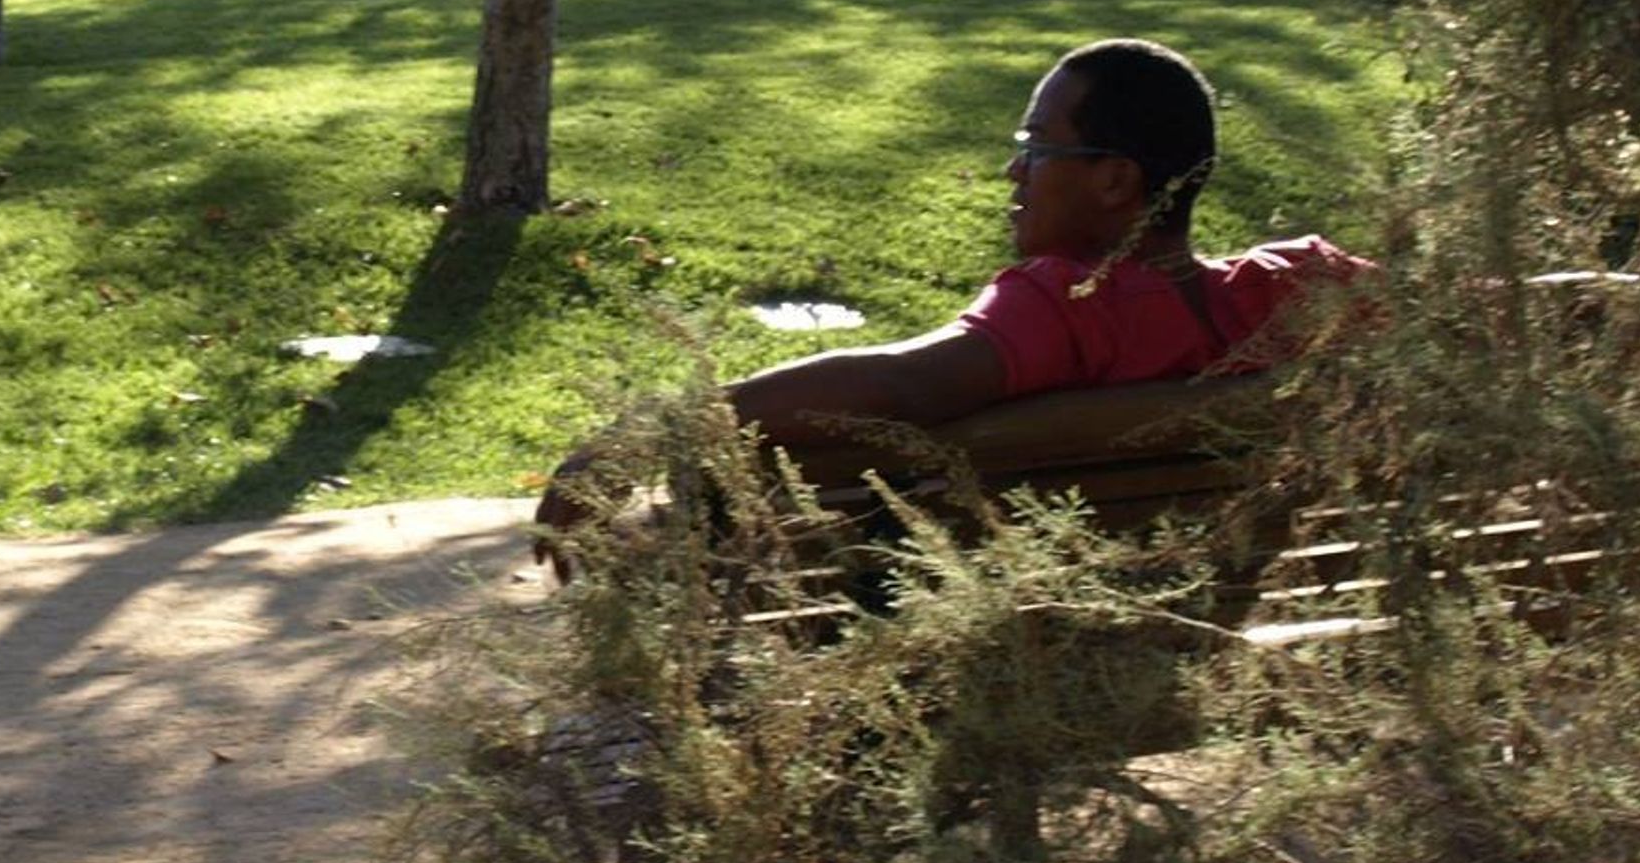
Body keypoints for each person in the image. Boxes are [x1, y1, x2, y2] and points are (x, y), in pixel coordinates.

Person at [536, 38, 1374, 560]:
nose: (1015, 171)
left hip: (1015, 662)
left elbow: (905, 385)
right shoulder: (1302, 285)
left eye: (1037, 148)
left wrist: (653, 432)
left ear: (1118, 180)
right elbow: (1475, 308)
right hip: (1222, 648)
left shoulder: (1067, 309)